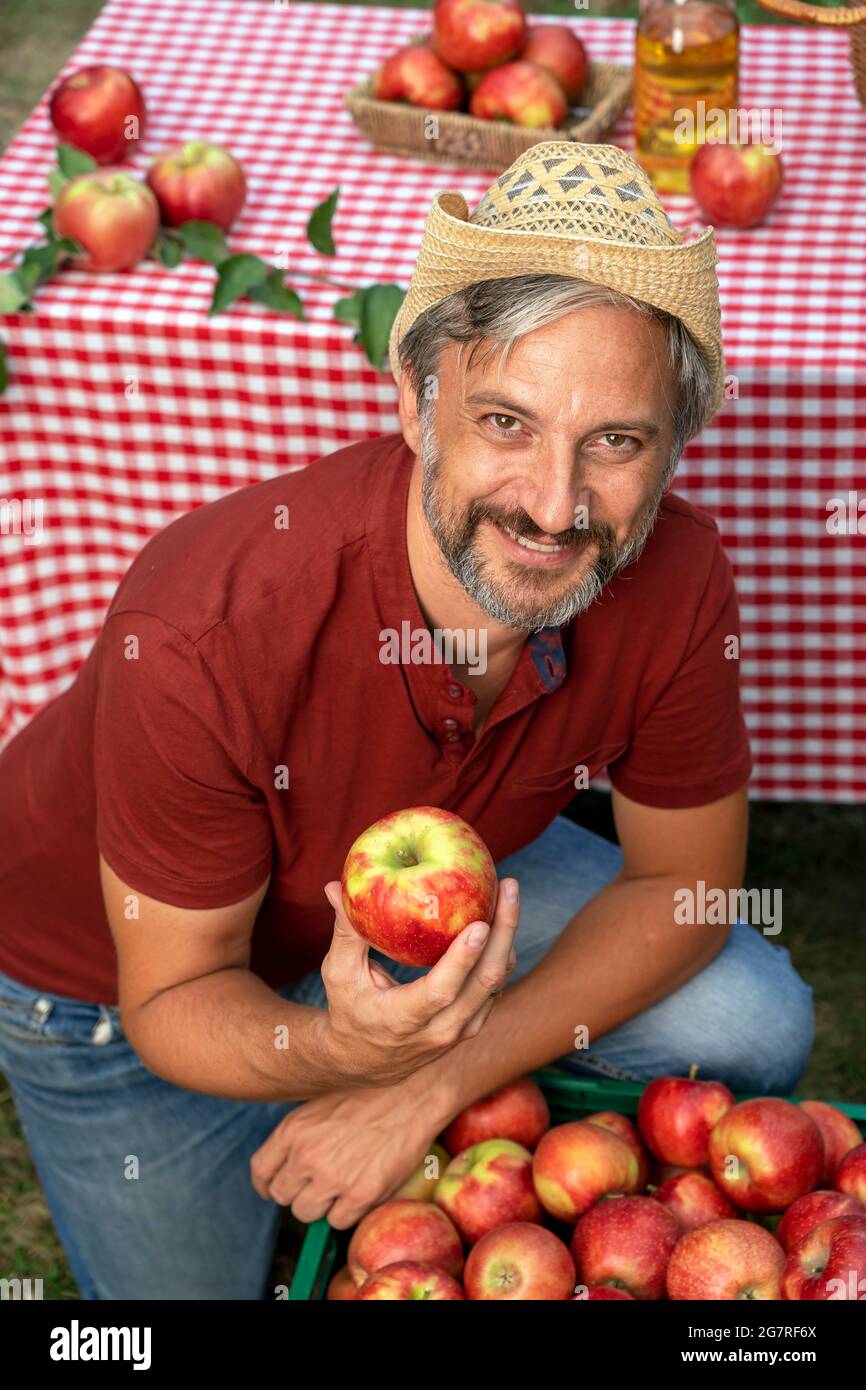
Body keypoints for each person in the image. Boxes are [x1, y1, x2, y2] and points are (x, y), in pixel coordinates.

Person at [0, 142, 813, 1299]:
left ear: (673, 446)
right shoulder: (203, 623)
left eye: (615, 442)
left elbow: (683, 888)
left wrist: (420, 1083)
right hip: (121, 985)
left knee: (747, 1014)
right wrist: (331, 1051)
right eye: (504, 420)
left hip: (410, 912)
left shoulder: (675, 574)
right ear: (413, 399)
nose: (552, 504)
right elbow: (174, 993)